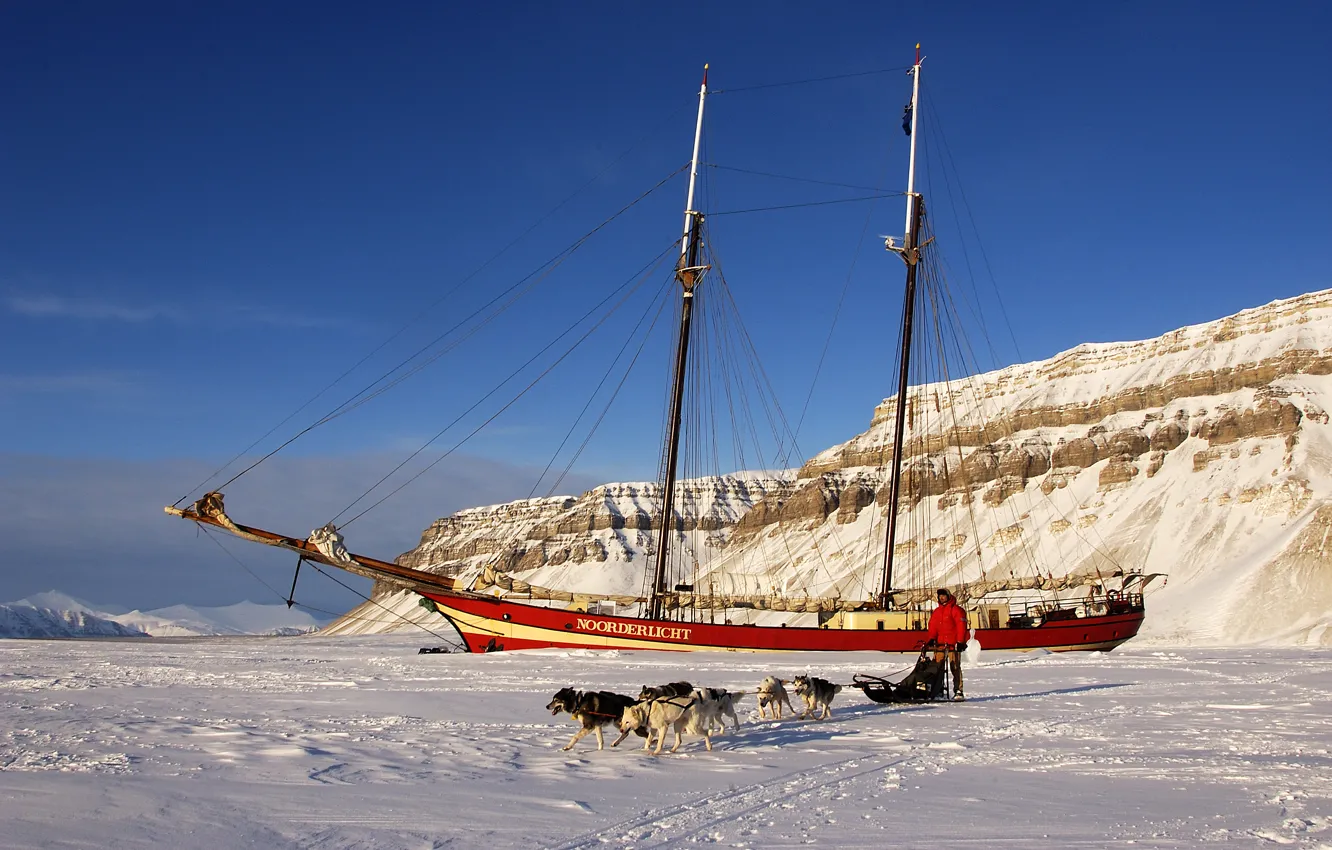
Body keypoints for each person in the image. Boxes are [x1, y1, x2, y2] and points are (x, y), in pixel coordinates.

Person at [925, 588, 969, 701]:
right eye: (940, 596)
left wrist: (960, 642)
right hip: (940, 644)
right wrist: (931, 639)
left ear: (948, 596)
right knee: (937, 667)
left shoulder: (956, 610)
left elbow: (961, 626)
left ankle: (958, 690)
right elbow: (933, 627)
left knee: (955, 667)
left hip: (952, 644)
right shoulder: (937, 612)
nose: (941, 598)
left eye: (943, 595)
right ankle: (938, 688)